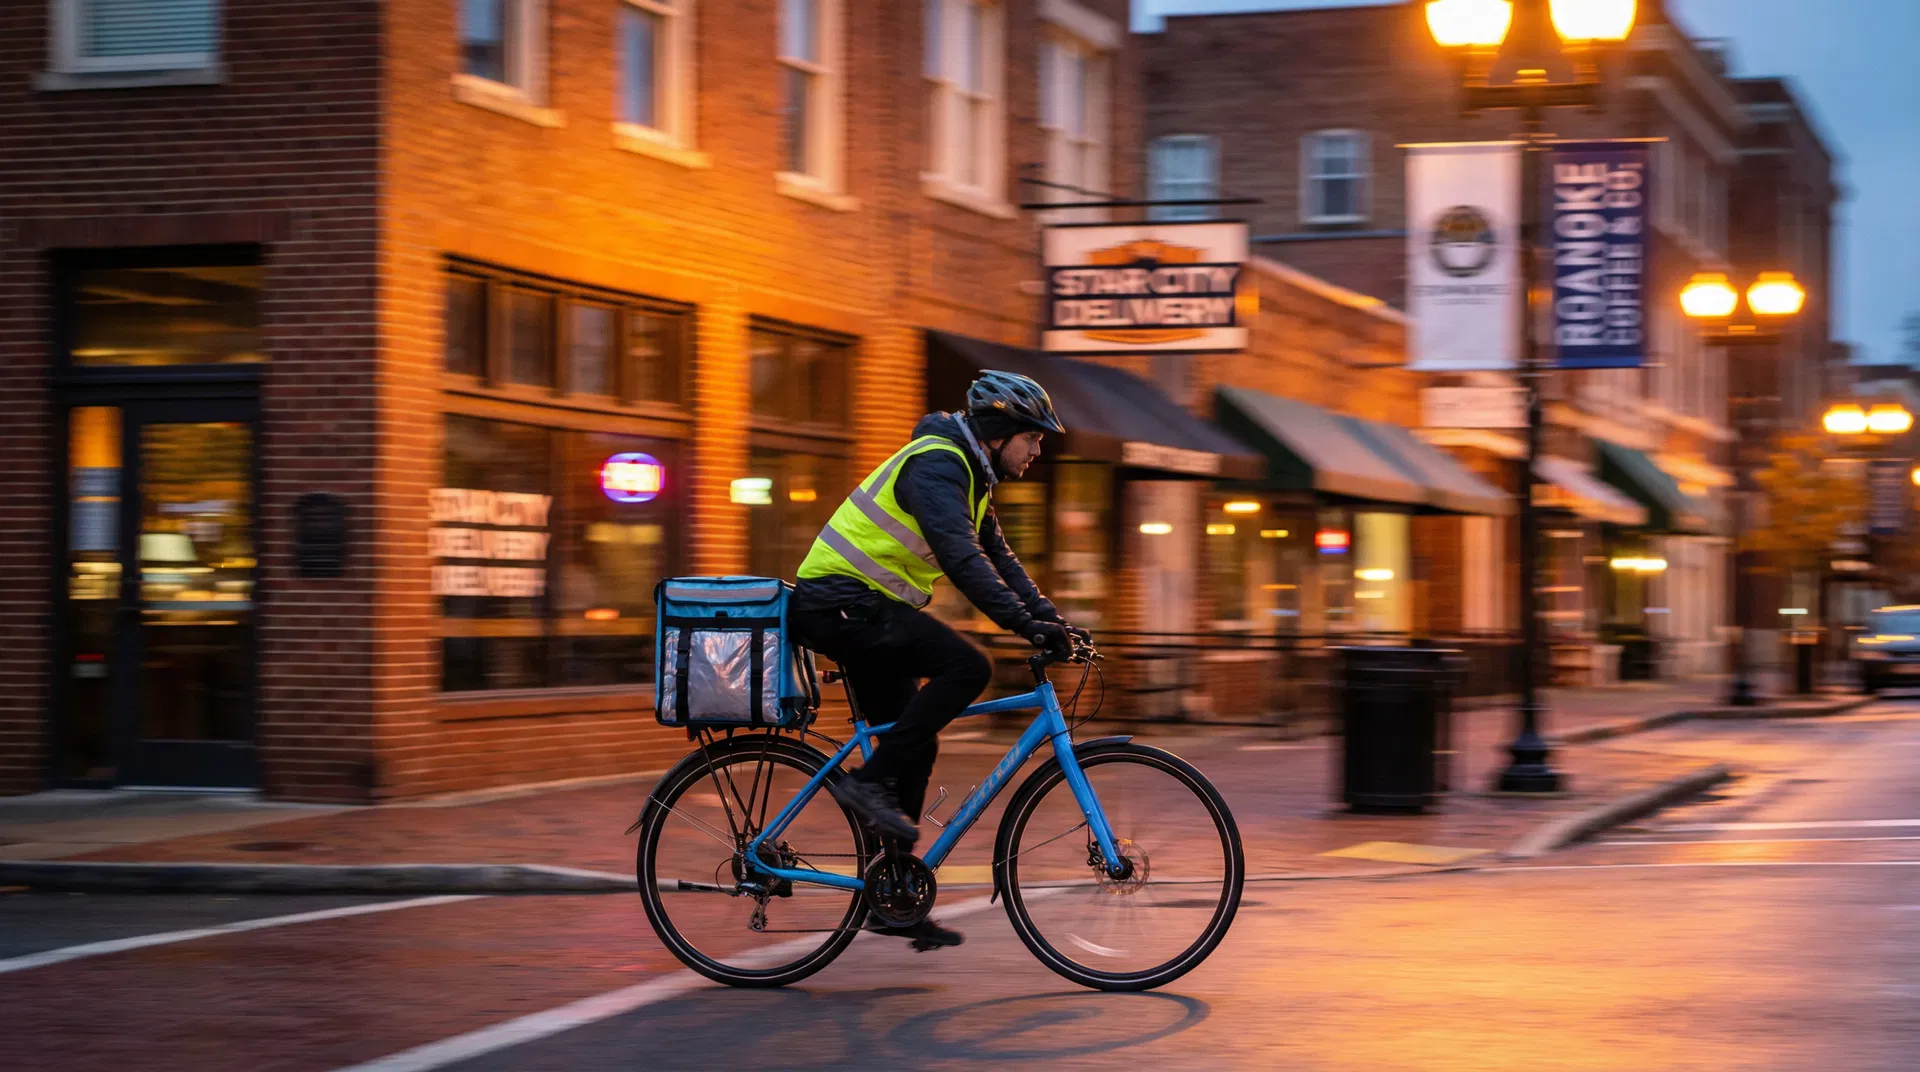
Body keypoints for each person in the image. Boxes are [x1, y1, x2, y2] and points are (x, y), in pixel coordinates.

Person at [791, 370, 1089, 951]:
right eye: (1035, 439)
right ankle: (866, 785)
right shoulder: (938, 464)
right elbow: (961, 558)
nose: (1037, 452)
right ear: (1003, 431)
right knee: (968, 668)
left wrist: (1052, 619)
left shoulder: (972, 476)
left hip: (866, 609)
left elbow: (1000, 560)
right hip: (839, 604)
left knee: (917, 740)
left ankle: (895, 899)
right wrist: (1024, 626)